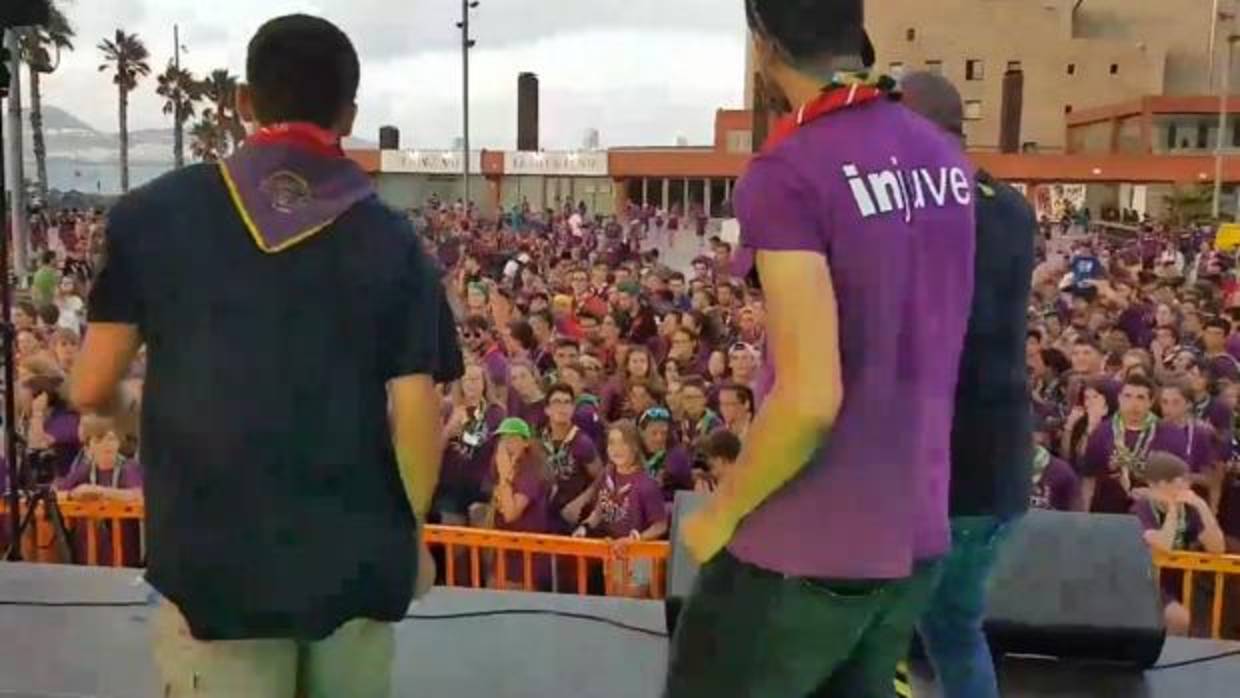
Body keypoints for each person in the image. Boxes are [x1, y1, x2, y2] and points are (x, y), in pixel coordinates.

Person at [70, 15, 462, 698]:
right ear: (348, 113)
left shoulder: (151, 214)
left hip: (216, 566)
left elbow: (91, 386)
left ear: (244, 103)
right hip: (356, 560)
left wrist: (131, 407)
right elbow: (416, 408)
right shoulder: (392, 237)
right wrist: (409, 536)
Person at [665, 1, 977, 694]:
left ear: (762, 43)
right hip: (916, 530)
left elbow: (809, 398)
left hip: (804, 547)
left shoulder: (788, 171)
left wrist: (721, 513)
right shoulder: (942, 155)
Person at [901, 71, 1035, 698]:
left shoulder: (926, 207)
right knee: (955, 626)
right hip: (1001, 465)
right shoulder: (1010, 206)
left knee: (883, 622)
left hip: (944, 468)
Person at [1134, 452, 1226, 635]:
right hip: (1145, 582)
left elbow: (1217, 548)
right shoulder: (1140, 509)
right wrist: (1172, 509)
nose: (1188, 486)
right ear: (1160, 484)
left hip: (1178, 583)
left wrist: (1201, 506)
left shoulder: (1189, 511)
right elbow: (1164, 545)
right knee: (1178, 617)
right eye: (1181, 481)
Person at [486, 418, 553, 590]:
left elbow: (510, 513)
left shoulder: (531, 471)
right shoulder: (505, 466)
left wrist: (503, 474)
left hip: (525, 560)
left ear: (526, 443)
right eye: (503, 439)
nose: (507, 444)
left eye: (513, 439)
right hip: (502, 554)